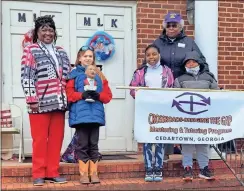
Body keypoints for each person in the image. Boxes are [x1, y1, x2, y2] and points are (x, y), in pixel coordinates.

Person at [20, 16, 70, 186]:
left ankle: (52, 172)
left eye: (50, 29)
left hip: (59, 102)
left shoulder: (61, 51)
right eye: (44, 29)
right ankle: (38, 174)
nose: (48, 33)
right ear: (37, 32)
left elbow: (68, 76)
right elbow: (26, 76)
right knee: (40, 139)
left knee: (57, 139)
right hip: (39, 103)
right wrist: (31, 98)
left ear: (54, 32)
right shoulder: (31, 50)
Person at [65, 46, 112, 184]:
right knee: (82, 145)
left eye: (90, 56)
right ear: (79, 58)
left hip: (95, 116)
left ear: (93, 59)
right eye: (85, 56)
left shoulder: (100, 75)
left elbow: (108, 96)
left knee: (93, 144)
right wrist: (81, 95)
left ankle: (94, 173)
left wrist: (98, 95)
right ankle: (84, 174)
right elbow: (69, 94)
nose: (88, 58)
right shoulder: (74, 75)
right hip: (81, 116)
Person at [129, 44, 174, 182]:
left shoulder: (167, 71)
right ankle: (149, 168)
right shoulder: (140, 72)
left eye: (154, 54)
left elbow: (172, 88)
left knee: (159, 140)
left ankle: (158, 169)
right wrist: (142, 91)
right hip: (146, 110)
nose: (151, 57)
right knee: (148, 140)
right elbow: (132, 89)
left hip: (161, 110)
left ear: (159, 54)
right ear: (145, 57)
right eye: (148, 55)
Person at [174, 51, 218, 181]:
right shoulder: (180, 79)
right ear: (184, 65)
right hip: (186, 116)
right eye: (188, 62)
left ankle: (204, 168)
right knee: (187, 142)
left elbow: (216, 95)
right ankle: (187, 168)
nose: (191, 63)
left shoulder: (209, 77)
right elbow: (174, 97)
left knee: (203, 143)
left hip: (204, 116)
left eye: (193, 61)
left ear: (199, 63)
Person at [153, 12, 209, 79]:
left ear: (180, 27)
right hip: (163, 83)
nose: (171, 28)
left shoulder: (189, 42)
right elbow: (147, 63)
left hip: (184, 83)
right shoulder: (157, 43)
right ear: (165, 27)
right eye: (168, 25)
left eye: (174, 25)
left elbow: (202, 62)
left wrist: (206, 78)